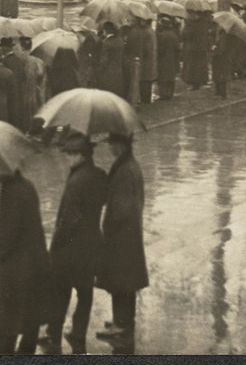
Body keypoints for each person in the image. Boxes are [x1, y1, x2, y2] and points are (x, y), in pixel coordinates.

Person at [40, 133, 108, 354]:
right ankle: (77, 333)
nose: (67, 158)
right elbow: (104, 199)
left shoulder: (76, 181)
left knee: (61, 293)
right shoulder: (99, 175)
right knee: (85, 293)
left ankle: (53, 335)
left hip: (70, 249)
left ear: (80, 155)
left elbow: (69, 220)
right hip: (91, 245)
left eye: (70, 154)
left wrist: (55, 248)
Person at [0, 168, 52, 355]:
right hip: (34, 261)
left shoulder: (10, 191)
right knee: (30, 317)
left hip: (17, 266)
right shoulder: (26, 185)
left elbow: (9, 235)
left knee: (9, 321)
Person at [95, 133, 148, 345]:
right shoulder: (126, 166)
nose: (110, 147)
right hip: (127, 233)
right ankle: (123, 321)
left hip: (122, 234)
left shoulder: (126, 170)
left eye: (112, 143)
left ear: (121, 145)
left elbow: (122, 207)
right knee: (124, 280)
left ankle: (122, 324)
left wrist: (109, 226)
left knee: (121, 281)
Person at [126, 18, 157, 105]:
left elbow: (139, 47)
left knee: (143, 80)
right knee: (146, 80)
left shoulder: (139, 31)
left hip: (144, 60)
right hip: (149, 60)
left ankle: (144, 100)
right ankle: (146, 100)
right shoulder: (150, 31)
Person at [18, 37, 47, 126]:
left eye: (17, 48)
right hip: (36, 92)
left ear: (22, 49)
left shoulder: (18, 61)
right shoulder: (39, 62)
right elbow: (43, 81)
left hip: (22, 92)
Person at [94, 22, 126, 98]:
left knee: (108, 93)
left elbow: (104, 60)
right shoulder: (119, 40)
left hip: (108, 72)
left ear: (105, 31)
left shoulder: (107, 43)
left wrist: (98, 70)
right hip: (118, 71)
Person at [181, 11, 211, 90]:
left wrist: (186, 26)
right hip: (202, 47)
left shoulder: (193, 25)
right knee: (201, 66)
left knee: (193, 67)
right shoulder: (204, 23)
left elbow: (186, 35)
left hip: (193, 48)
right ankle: (202, 81)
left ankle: (195, 84)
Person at [155, 16, 181, 100]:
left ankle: (163, 94)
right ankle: (170, 93)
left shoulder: (161, 36)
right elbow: (178, 48)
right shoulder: (174, 35)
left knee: (163, 77)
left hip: (163, 60)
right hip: (172, 59)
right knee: (171, 77)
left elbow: (160, 50)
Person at [211, 26, 234, 100]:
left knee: (221, 76)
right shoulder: (224, 36)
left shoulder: (224, 36)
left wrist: (214, 50)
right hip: (222, 59)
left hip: (222, 60)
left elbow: (222, 49)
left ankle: (222, 94)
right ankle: (218, 92)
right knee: (219, 76)